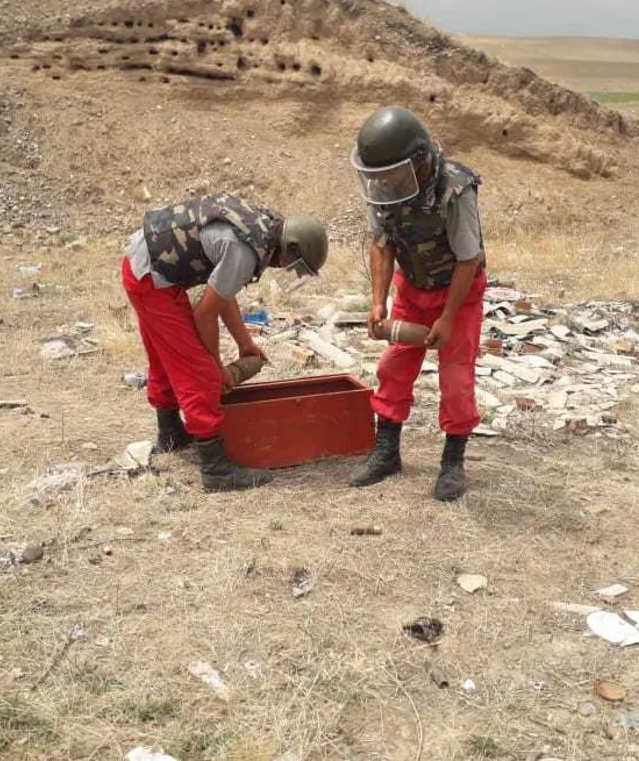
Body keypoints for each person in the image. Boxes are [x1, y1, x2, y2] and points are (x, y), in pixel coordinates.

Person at [121, 194, 328, 492]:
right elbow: (205, 315)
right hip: (150, 278)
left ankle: (171, 433)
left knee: (166, 357)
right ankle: (215, 469)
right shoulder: (245, 250)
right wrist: (216, 366)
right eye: (292, 265)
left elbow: (222, 292)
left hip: (145, 265)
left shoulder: (259, 228)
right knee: (198, 370)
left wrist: (246, 344)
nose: (286, 269)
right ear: (290, 249)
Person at [347, 106, 487, 501]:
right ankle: (387, 452)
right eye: (379, 174)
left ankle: (453, 462)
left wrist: (447, 318)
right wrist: (378, 302)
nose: (384, 181)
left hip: (458, 292)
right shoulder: (383, 187)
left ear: (418, 161)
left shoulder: (455, 189)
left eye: (393, 172)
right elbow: (381, 244)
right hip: (412, 287)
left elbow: (468, 259)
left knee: (456, 380)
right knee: (393, 367)